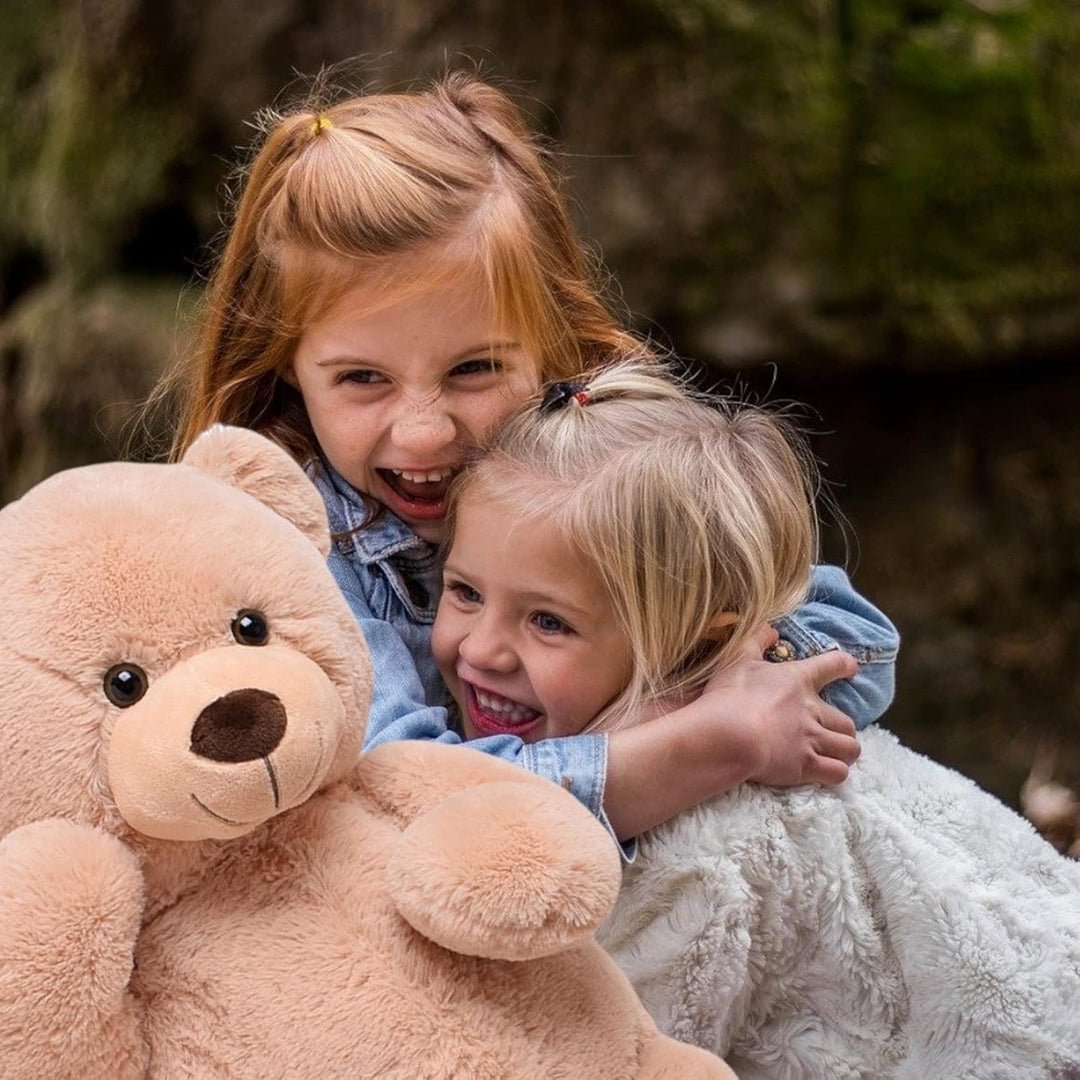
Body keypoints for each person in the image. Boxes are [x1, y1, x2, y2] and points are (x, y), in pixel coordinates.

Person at [153, 71, 897, 846]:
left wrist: (721, 675)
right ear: (284, 373)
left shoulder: (601, 471)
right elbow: (404, 801)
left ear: (551, 346)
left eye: (474, 369)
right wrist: (700, 739)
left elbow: (858, 645)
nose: (423, 434)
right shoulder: (291, 552)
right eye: (362, 379)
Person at [433, 361, 1080, 1079]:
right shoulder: (728, 732)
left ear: (701, 647)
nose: (480, 649)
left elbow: (609, 1054)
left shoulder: (695, 842)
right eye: (463, 591)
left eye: (548, 622)